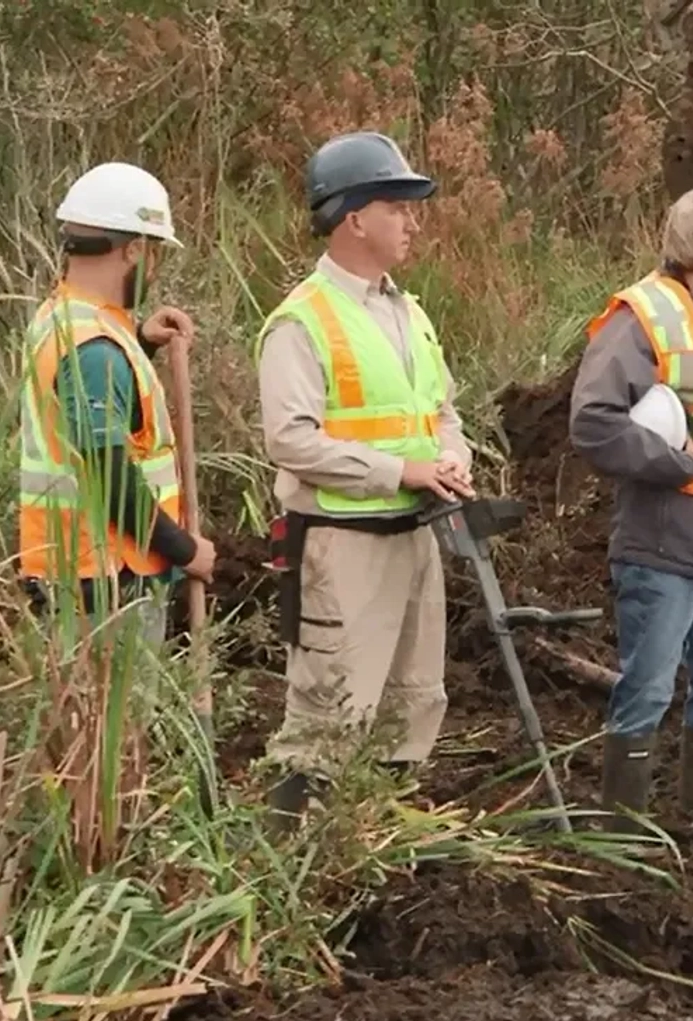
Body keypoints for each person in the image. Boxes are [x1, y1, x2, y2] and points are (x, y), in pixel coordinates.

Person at [255, 131, 475, 822]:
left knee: (414, 699)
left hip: (413, 535)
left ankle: (375, 846)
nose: (412, 221)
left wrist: (451, 453)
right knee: (330, 710)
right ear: (353, 217)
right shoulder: (300, 321)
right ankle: (296, 868)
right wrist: (398, 469)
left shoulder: (408, 312)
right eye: (397, 206)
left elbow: (440, 409)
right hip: (341, 543)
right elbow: (291, 439)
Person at [570, 187, 693, 833]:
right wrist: (678, 465)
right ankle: (623, 829)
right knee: (649, 686)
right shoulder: (641, 317)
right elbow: (595, 422)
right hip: (663, 536)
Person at [17, 162, 216, 646]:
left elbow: (86, 415)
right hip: (105, 582)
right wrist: (184, 549)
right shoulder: (97, 351)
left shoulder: (65, 318)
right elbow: (110, 474)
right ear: (134, 251)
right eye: (156, 254)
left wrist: (142, 344)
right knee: (118, 722)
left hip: (75, 572)